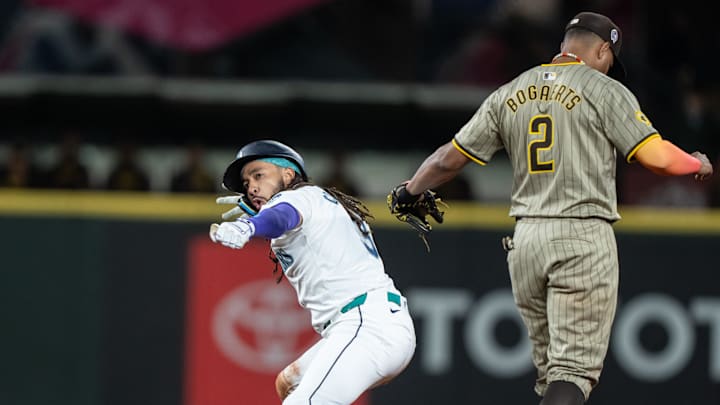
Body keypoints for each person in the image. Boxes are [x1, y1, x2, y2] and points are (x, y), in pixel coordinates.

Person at [388, 11, 713, 405]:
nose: (608, 66)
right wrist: (697, 162)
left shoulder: (511, 91)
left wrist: (410, 190)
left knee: (551, 379)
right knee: (572, 373)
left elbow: (449, 159)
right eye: (609, 59)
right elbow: (658, 157)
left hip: (526, 241)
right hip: (580, 234)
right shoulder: (604, 89)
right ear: (602, 50)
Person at [209, 140, 416, 404]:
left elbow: (282, 215)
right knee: (289, 383)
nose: (251, 187)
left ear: (288, 174)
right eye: (247, 183)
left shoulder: (298, 198)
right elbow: (283, 217)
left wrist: (248, 226)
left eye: (258, 174)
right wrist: (261, 215)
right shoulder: (318, 200)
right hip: (374, 323)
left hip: (366, 325)